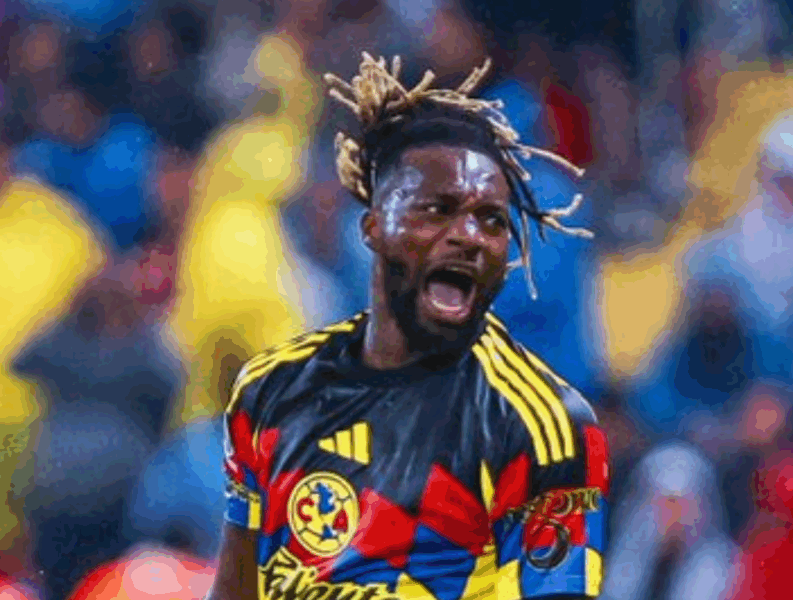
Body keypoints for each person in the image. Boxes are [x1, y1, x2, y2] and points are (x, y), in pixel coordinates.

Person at [205, 54, 610, 600]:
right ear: (373, 226)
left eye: (492, 219)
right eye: (437, 210)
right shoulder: (271, 391)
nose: (470, 236)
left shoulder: (541, 425)